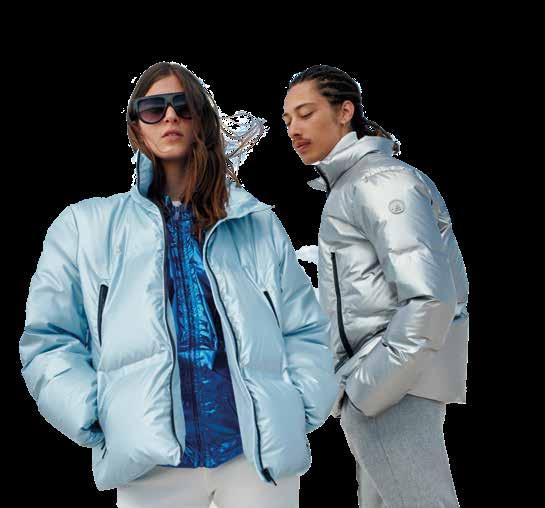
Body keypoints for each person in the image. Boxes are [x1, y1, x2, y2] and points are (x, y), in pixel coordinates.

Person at [19, 61, 338, 508]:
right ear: (136, 126)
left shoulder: (255, 222)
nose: (169, 116)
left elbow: (306, 328)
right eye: (154, 108)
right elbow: (49, 341)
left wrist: (300, 405)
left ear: (201, 120)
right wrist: (97, 415)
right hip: (152, 467)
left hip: (255, 460)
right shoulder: (84, 227)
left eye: (183, 106)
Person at [282, 64, 469, 507]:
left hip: (392, 392)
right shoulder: (354, 185)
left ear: (345, 111)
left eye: (306, 113)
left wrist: (368, 388)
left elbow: (431, 297)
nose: (294, 130)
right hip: (388, 389)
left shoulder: (378, 182)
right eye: (287, 120)